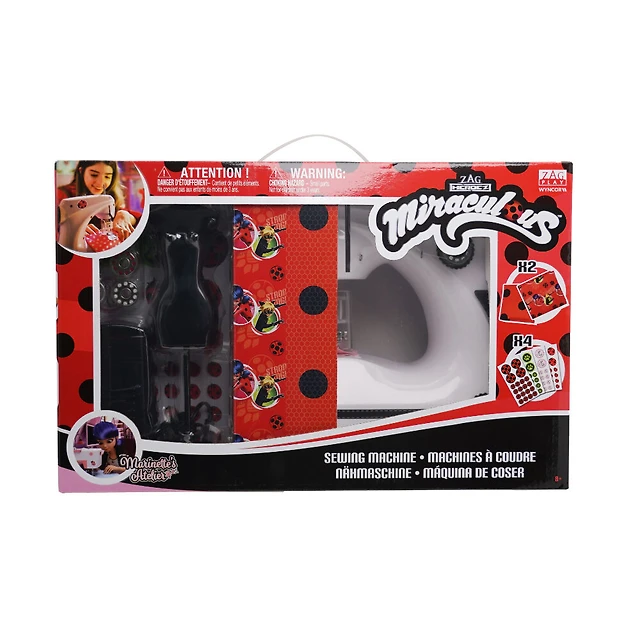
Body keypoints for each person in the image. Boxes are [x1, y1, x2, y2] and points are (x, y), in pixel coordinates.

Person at [57, 161, 138, 241]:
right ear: (81, 171)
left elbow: (137, 218)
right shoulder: (61, 195)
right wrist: (73, 230)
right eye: (94, 175)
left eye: (107, 177)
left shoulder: (110, 197)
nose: (100, 183)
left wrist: (124, 215)